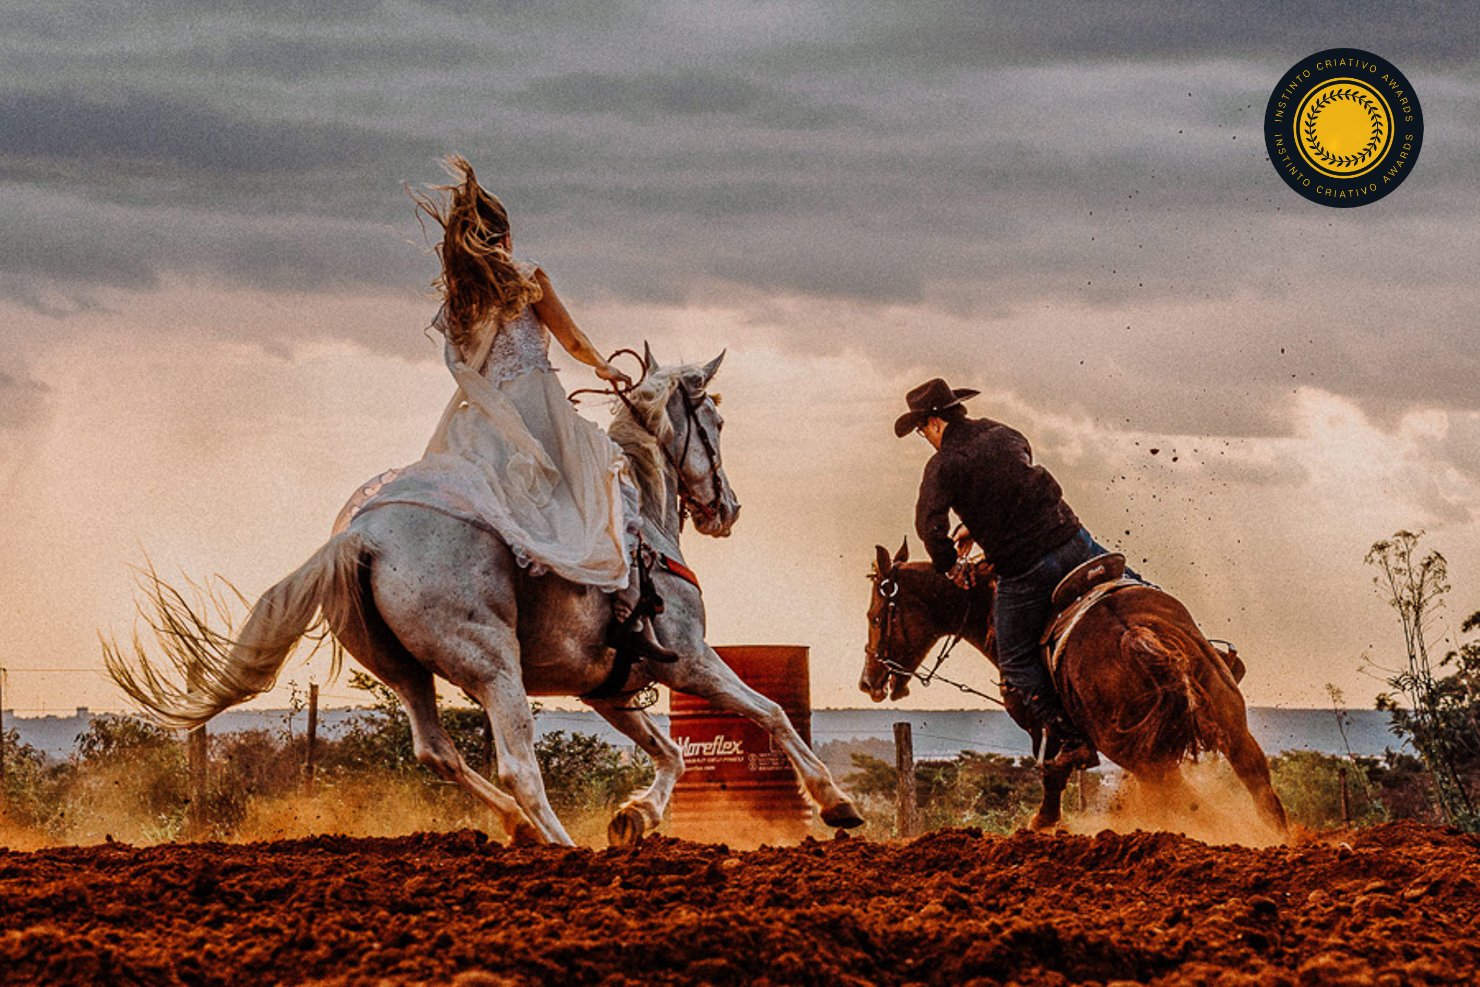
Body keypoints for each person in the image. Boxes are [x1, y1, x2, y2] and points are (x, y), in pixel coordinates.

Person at [335, 155, 667, 657]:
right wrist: (604, 367)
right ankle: (628, 617)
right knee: (611, 477)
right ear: (507, 238)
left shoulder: (459, 297)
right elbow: (572, 338)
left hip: (484, 417)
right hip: (537, 407)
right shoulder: (526, 275)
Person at [895, 378, 1131, 770]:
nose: (926, 438)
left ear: (934, 422)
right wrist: (976, 525)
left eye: (923, 431)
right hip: (1073, 541)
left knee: (1016, 661)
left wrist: (951, 565)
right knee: (1131, 585)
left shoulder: (943, 465)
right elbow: (1014, 479)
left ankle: (1073, 740)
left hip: (1027, 570)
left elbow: (929, 526)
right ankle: (1209, 654)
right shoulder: (1004, 433)